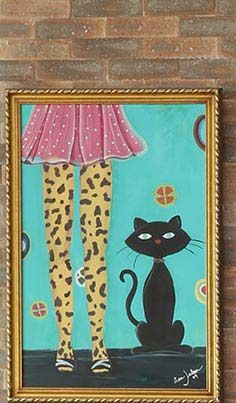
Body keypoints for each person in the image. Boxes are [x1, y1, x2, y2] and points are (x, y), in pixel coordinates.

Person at [20, 99, 145, 373]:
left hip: (95, 115)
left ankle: (98, 344)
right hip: (56, 115)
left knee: (96, 249)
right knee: (58, 247)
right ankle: (64, 344)